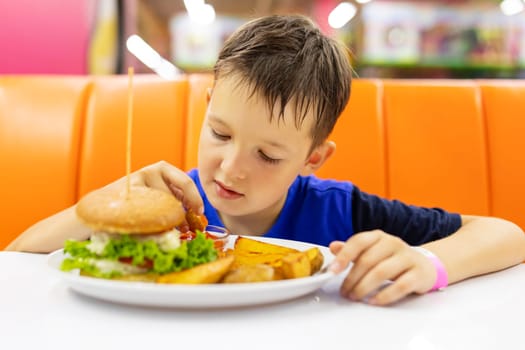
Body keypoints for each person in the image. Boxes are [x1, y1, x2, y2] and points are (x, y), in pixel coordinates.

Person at [7, 15, 525, 305]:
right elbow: (18, 258)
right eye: (220, 133)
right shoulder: (161, 209)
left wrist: (430, 263)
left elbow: (508, 235)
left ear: (313, 158)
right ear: (206, 106)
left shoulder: (340, 212)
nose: (232, 168)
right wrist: (113, 203)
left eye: (269, 155)